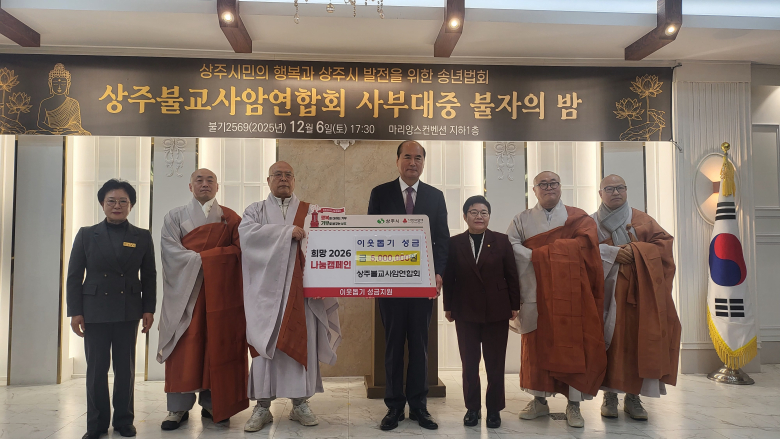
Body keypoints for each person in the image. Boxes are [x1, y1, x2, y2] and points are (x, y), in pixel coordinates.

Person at [240, 161, 342, 432]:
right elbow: (246, 237)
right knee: (266, 345)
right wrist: (286, 233)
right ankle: (262, 406)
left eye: (288, 175)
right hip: (266, 295)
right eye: (278, 175)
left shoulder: (312, 211)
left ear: (294, 180)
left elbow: (329, 242)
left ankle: (300, 403)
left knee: (301, 340)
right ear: (268, 180)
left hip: (303, 293)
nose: (283, 179)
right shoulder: (255, 211)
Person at [506, 171, 606, 428]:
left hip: (571, 294)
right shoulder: (521, 219)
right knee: (536, 346)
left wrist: (542, 254)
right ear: (534, 190)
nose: (549, 187)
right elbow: (511, 246)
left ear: (560, 187)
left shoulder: (579, 218)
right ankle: (538, 401)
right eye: (543, 184)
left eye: (553, 183)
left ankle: (574, 405)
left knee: (572, 344)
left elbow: (587, 248)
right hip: (535, 289)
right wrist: (536, 257)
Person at [156, 169, 248, 430]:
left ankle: (213, 404)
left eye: (210, 181)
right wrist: (209, 259)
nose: (205, 184)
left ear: (217, 187)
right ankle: (177, 408)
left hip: (221, 294)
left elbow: (241, 252)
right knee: (183, 347)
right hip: (186, 294)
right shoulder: (174, 217)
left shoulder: (231, 218)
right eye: (199, 180)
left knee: (217, 346)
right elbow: (170, 254)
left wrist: (208, 259)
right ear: (190, 186)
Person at [367, 140, 449, 431]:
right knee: (392, 346)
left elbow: (442, 239)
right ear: (397, 160)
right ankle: (394, 407)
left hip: (422, 283)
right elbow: (369, 235)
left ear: (423, 163)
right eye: (407, 157)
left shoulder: (435, 196)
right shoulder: (380, 193)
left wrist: (439, 273)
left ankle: (418, 406)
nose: (412, 162)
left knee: (419, 345)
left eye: (418, 158)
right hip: (389, 282)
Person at [66, 179, 156, 439]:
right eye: (111, 201)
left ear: (131, 205)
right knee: (96, 370)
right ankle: (96, 424)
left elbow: (149, 275)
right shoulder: (86, 234)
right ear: (102, 204)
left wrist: (149, 308)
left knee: (125, 369)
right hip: (94, 310)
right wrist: (75, 311)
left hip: (129, 310)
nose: (117, 206)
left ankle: (124, 420)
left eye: (123, 201)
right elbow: (74, 276)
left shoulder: (142, 236)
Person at [591, 174, 681, 420]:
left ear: (626, 190)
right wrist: (610, 252)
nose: (615, 192)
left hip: (640, 294)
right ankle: (609, 395)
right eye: (610, 188)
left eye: (620, 187)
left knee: (636, 342)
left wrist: (636, 250)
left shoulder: (643, 220)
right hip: (604, 293)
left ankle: (633, 397)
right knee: (609, 342)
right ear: (600, 193)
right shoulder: (590, 222)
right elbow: (581, 250)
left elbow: (663, 247)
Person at [442, 195, 520, 429]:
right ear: (465, 216)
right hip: (465, 310)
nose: (479, 216)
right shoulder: (455, 243)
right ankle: (472, 408)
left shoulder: (501, 241)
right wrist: (448, 306)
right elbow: (449, 277)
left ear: (489, 216)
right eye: (474, 212)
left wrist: (515, 304)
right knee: (469, 363)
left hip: (497, 310)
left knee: (495, 363)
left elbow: (512, 275)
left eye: (483, 212)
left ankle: (494, 409)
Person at [35, 63, 91, 135]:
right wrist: (50, 129)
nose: (59, 87)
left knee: (86, 134)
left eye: (63, 84)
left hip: (68, 132)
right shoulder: (45, 102)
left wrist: (66, 129)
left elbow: (76, 123)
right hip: (51, 132)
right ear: (50, 84)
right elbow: (40, 123)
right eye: (55, 84)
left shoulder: (73, 102)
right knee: (31, 133)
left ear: (68, 84)